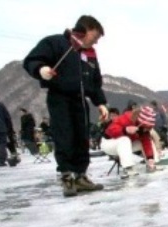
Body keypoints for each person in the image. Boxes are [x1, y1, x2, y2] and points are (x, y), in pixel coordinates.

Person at [22, 15, 108, 197]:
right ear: (87, 29)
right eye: (96, 37)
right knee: (65, 135)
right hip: (60, 98)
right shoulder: (57, 43)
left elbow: (95, 81)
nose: (96, 42)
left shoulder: (89, 54)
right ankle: (67, 176)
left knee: (81, 137)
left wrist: (100, 103)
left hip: (81, 99)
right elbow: (31, 60)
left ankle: (81, 176)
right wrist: (41, 70)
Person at [101, 105, 159, 178]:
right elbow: (110, 131)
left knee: (148, 141)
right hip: (109, 143)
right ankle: (128, 168)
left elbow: (146, 142)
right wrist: (125, 130)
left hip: (126, 145)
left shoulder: (142, 129)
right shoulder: (125, 118)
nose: (146, 130)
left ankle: (153, 164)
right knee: (125, 139)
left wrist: (150, 158)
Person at [0, 98, 18, 167]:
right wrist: (10, 128)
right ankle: (1, 161)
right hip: (1, 129)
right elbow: (7, 117)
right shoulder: (0, 105)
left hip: (1, 128)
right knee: (2, 144)